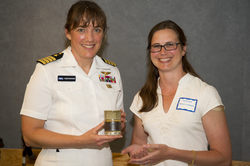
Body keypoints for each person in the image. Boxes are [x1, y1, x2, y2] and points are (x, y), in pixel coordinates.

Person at [20, 1, 126, 165]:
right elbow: (29, 135)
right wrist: (82, 140)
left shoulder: (111, 72)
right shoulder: (47, 70)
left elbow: (112, 129)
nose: (90, 38)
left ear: (103, 34)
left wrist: (118, 127)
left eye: (96, 30)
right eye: (81, 30)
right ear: (68, 32)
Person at [122, 20, 232, 166]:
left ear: (183, 49)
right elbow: (138, 145)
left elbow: (223, 159)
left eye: (170, 45)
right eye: (156, 46)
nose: (163, 52)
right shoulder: (142, 97)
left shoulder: (205, 93)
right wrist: (137, 153)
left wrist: (172, 153)